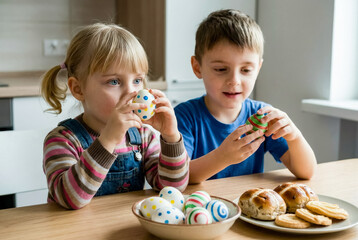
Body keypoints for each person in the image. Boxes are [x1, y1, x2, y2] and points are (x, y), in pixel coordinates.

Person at [41, 23, 189, 209]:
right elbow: (71, 199)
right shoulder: (63, 141)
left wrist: (171, 137)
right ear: (78, 89)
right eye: (114, 81)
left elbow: (172, 189)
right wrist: (108, 139)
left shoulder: (143, 136)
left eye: (137, 80)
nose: (132, 92)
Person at [174, 9, 316, 184]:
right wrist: (223, 157)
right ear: (197, 67)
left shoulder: (261, 115)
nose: (234, 81)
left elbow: (306, 172)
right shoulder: (184, 117)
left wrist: (295, 136)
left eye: (246, 70)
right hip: (199, 208)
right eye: (220, 69)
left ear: (258, 69)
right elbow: (180, 176)